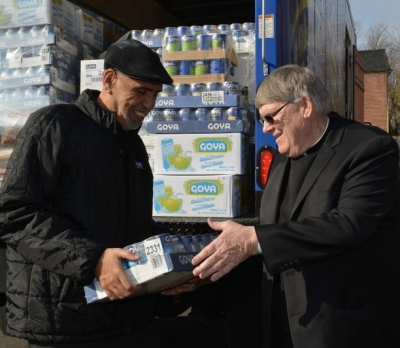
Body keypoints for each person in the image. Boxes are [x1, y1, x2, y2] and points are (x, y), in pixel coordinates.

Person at [172, 65, 400, 347]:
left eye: (270, 116)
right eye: (261, 118)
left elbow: (348, 225)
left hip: (340, 328)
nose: (265, 127)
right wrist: (208, 274)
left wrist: (252, 238)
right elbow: (274, 235)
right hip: (282, 325)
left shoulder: (369, 149)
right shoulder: (283, 156)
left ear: (305, 105)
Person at [0, 39, 173, 347]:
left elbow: (131, 226)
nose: (150, 104)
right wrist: (93, 259)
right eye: (141, 91)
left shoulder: (132, 145)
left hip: (131, 324)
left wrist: (172, 267)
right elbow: (15, 214)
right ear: (109, 80)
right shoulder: (56, 125)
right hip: (67, 327)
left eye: (155, 95)